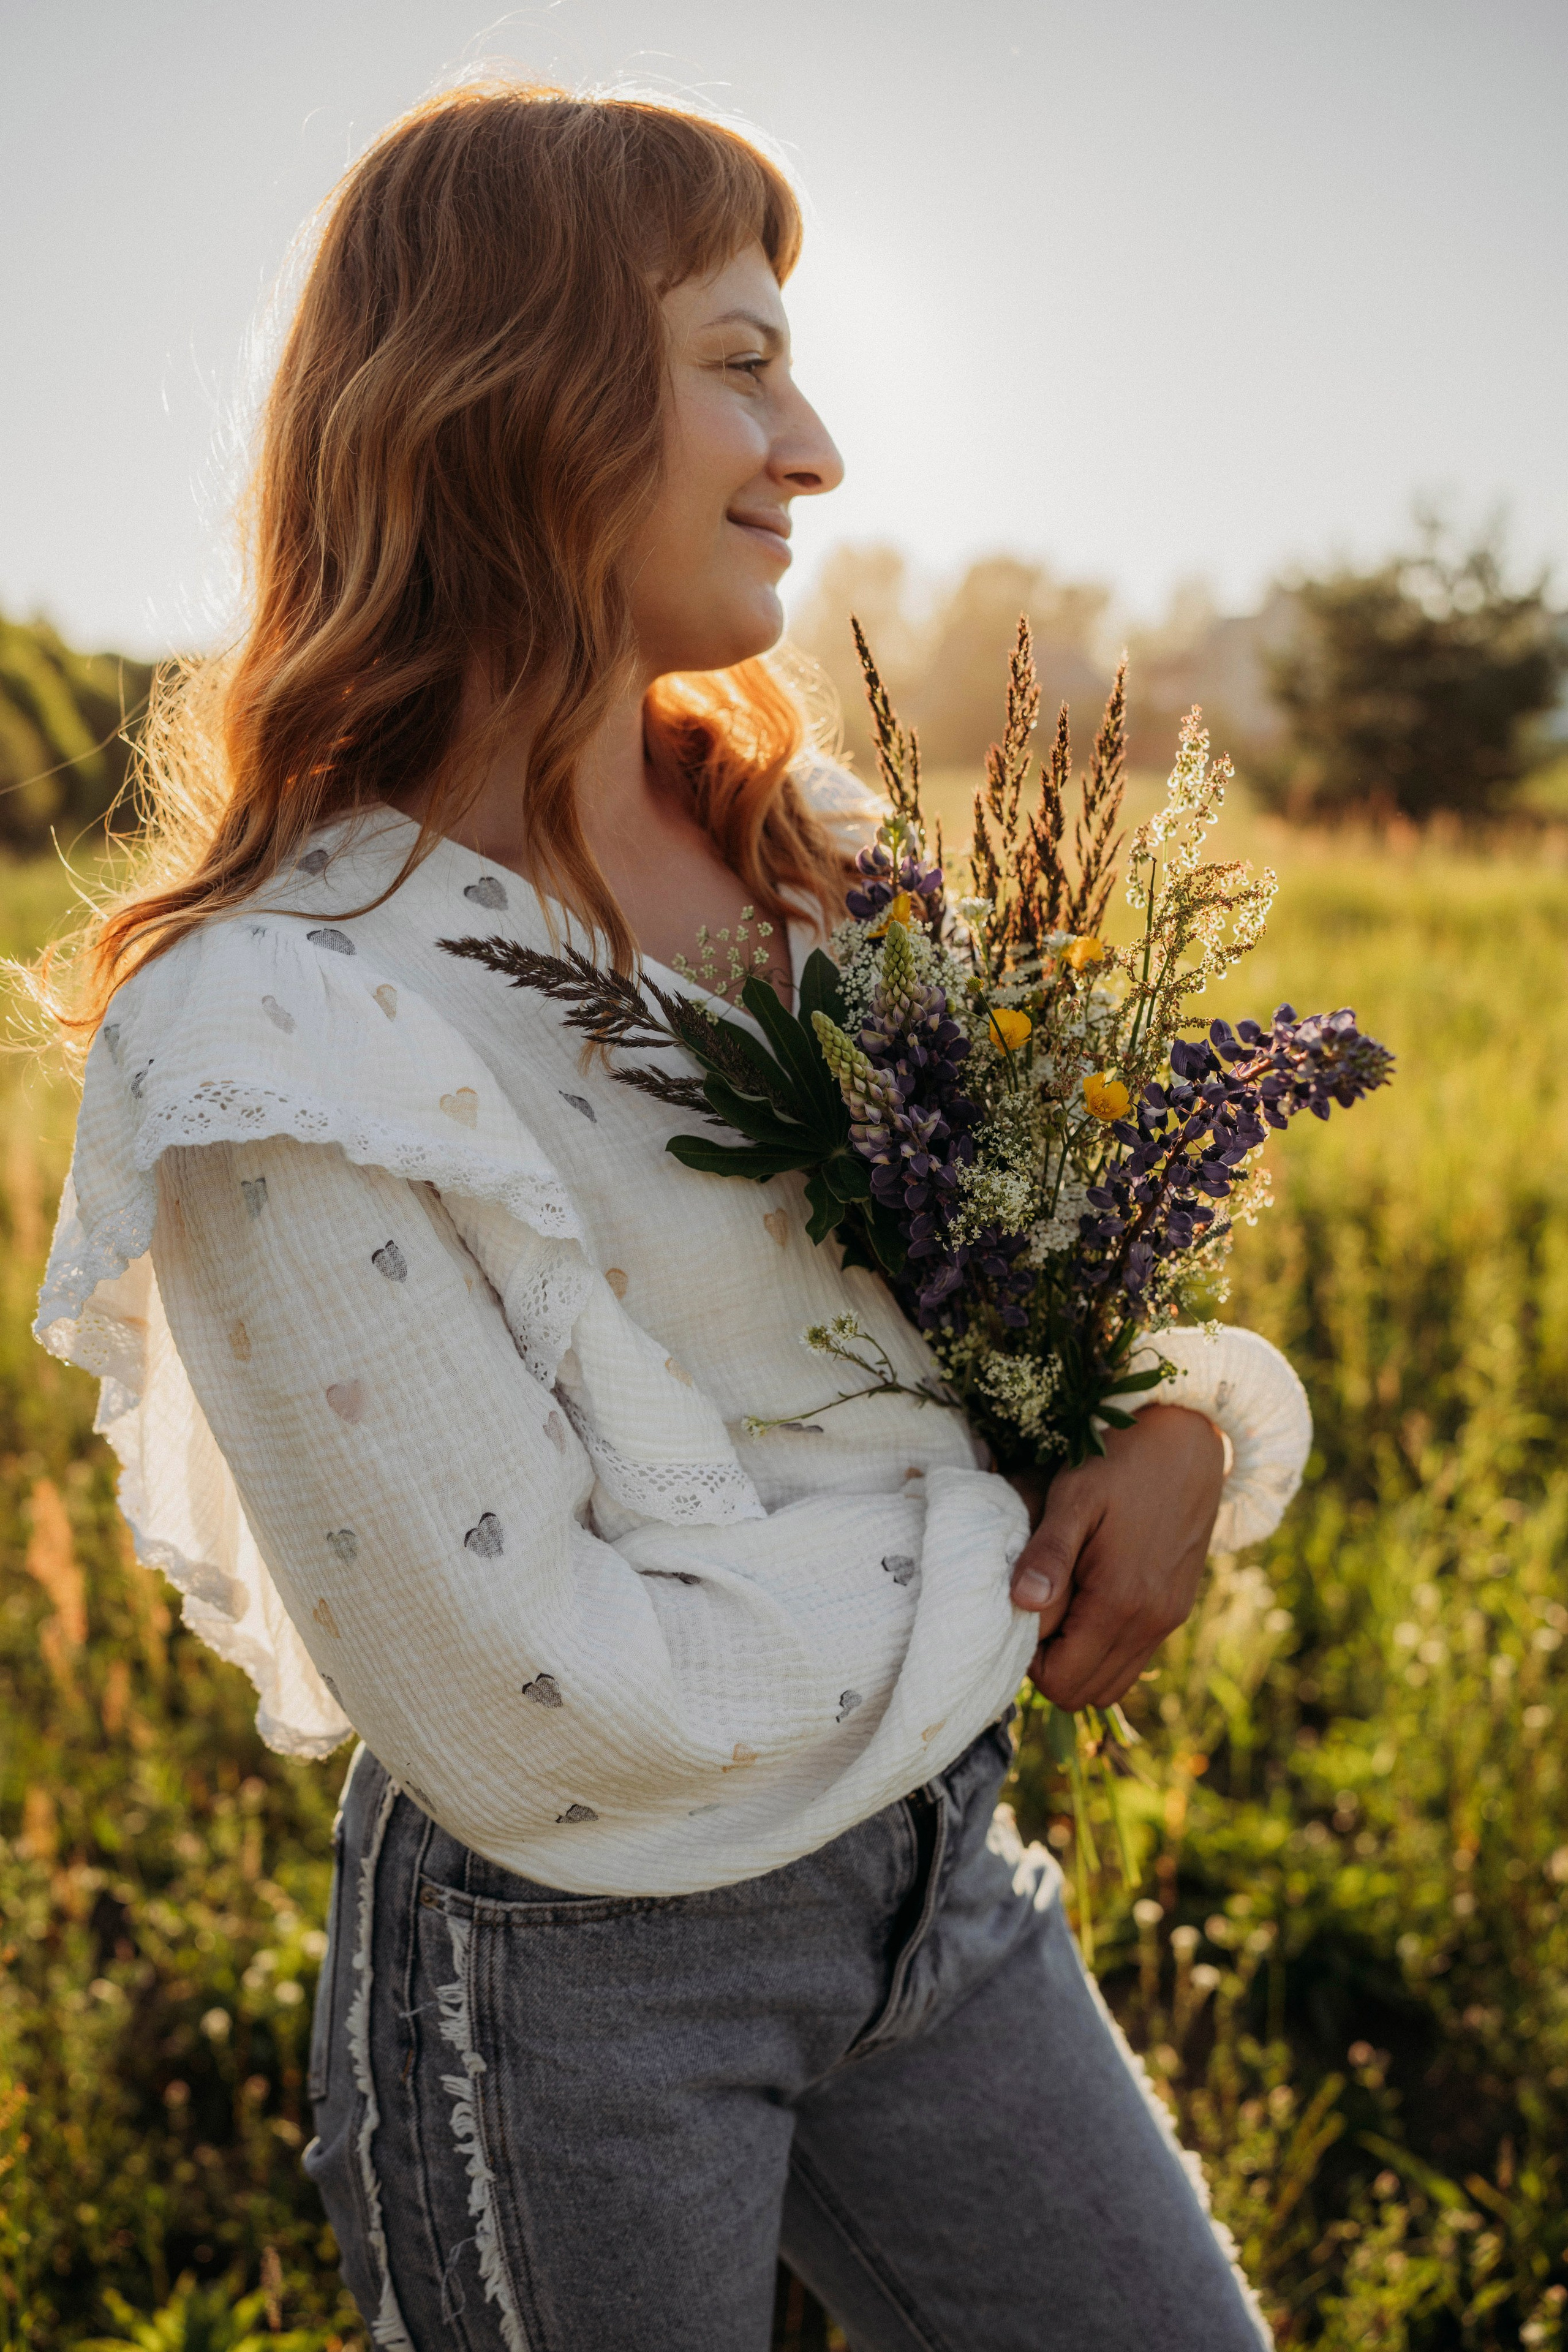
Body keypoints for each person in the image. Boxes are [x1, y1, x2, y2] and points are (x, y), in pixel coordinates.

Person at [34, 80, 1305, 2351]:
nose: (812, 446)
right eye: (739, 359)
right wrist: (1001, 1567)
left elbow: (1029, 1338)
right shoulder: (283, 1024)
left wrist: (1201, 1423)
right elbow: (553, 1698)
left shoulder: (811, 855)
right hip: (571, 1986)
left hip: (947, 1891)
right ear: (506, 394)